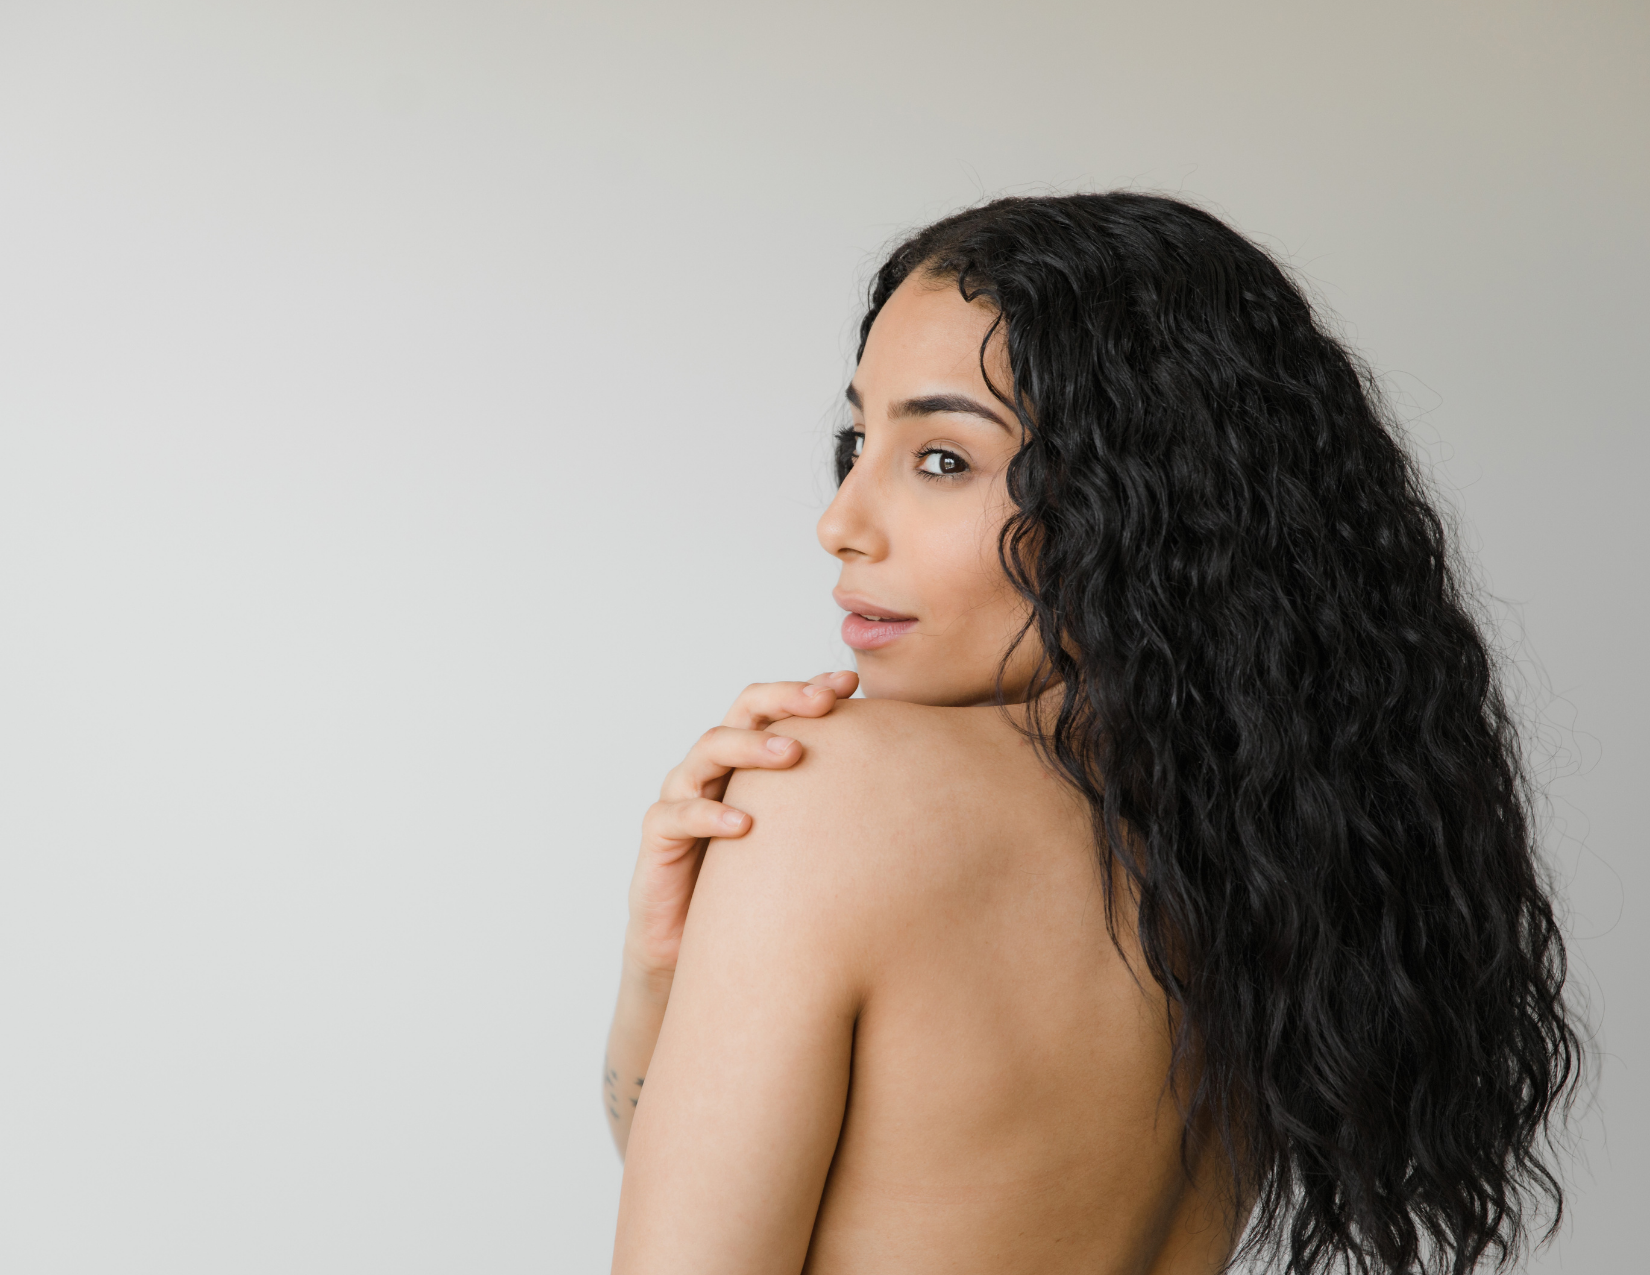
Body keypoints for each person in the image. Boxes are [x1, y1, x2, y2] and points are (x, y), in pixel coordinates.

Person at [602, 193, 1580, 1274]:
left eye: (942, 459)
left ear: (1143, 495)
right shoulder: (1262, 849)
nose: (840, 521)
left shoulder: (831, 794)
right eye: (858, 439)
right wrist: (666, 967)